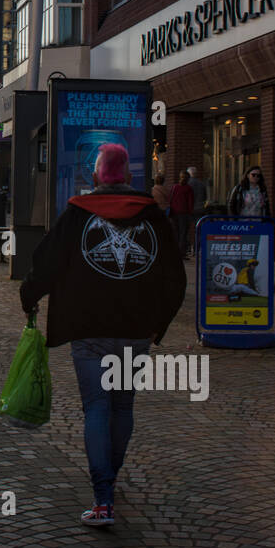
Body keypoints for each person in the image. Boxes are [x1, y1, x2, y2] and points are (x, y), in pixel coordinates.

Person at [19, 142, 187, 528]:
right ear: (128, 177)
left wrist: (29, 296)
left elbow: (46, 261)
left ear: (95, 176)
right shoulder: (152, 216)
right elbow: (174, 277)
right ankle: (109, 478)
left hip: (89, 328)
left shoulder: (77, 215)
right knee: (123, 407)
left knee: (97, 408)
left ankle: (103, 498)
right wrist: (158, 323)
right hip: (135, 330)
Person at [167, 170, 195, 258]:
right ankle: (181, 252)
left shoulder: (175, 187)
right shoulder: (188, 189)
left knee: (176, 232)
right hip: (184, 213)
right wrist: (190, 213)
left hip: (174, 213)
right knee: (183, 233)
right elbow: (190, 202)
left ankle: (174, 251)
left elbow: (170, 199)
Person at [186, 166, 209, 256]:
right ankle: (196, 249)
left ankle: (188, 248)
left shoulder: (188, 184)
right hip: (200, 209)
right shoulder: (201, 184)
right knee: (198, 230)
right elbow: (205, 197)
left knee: (187, 229)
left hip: (190, 209)